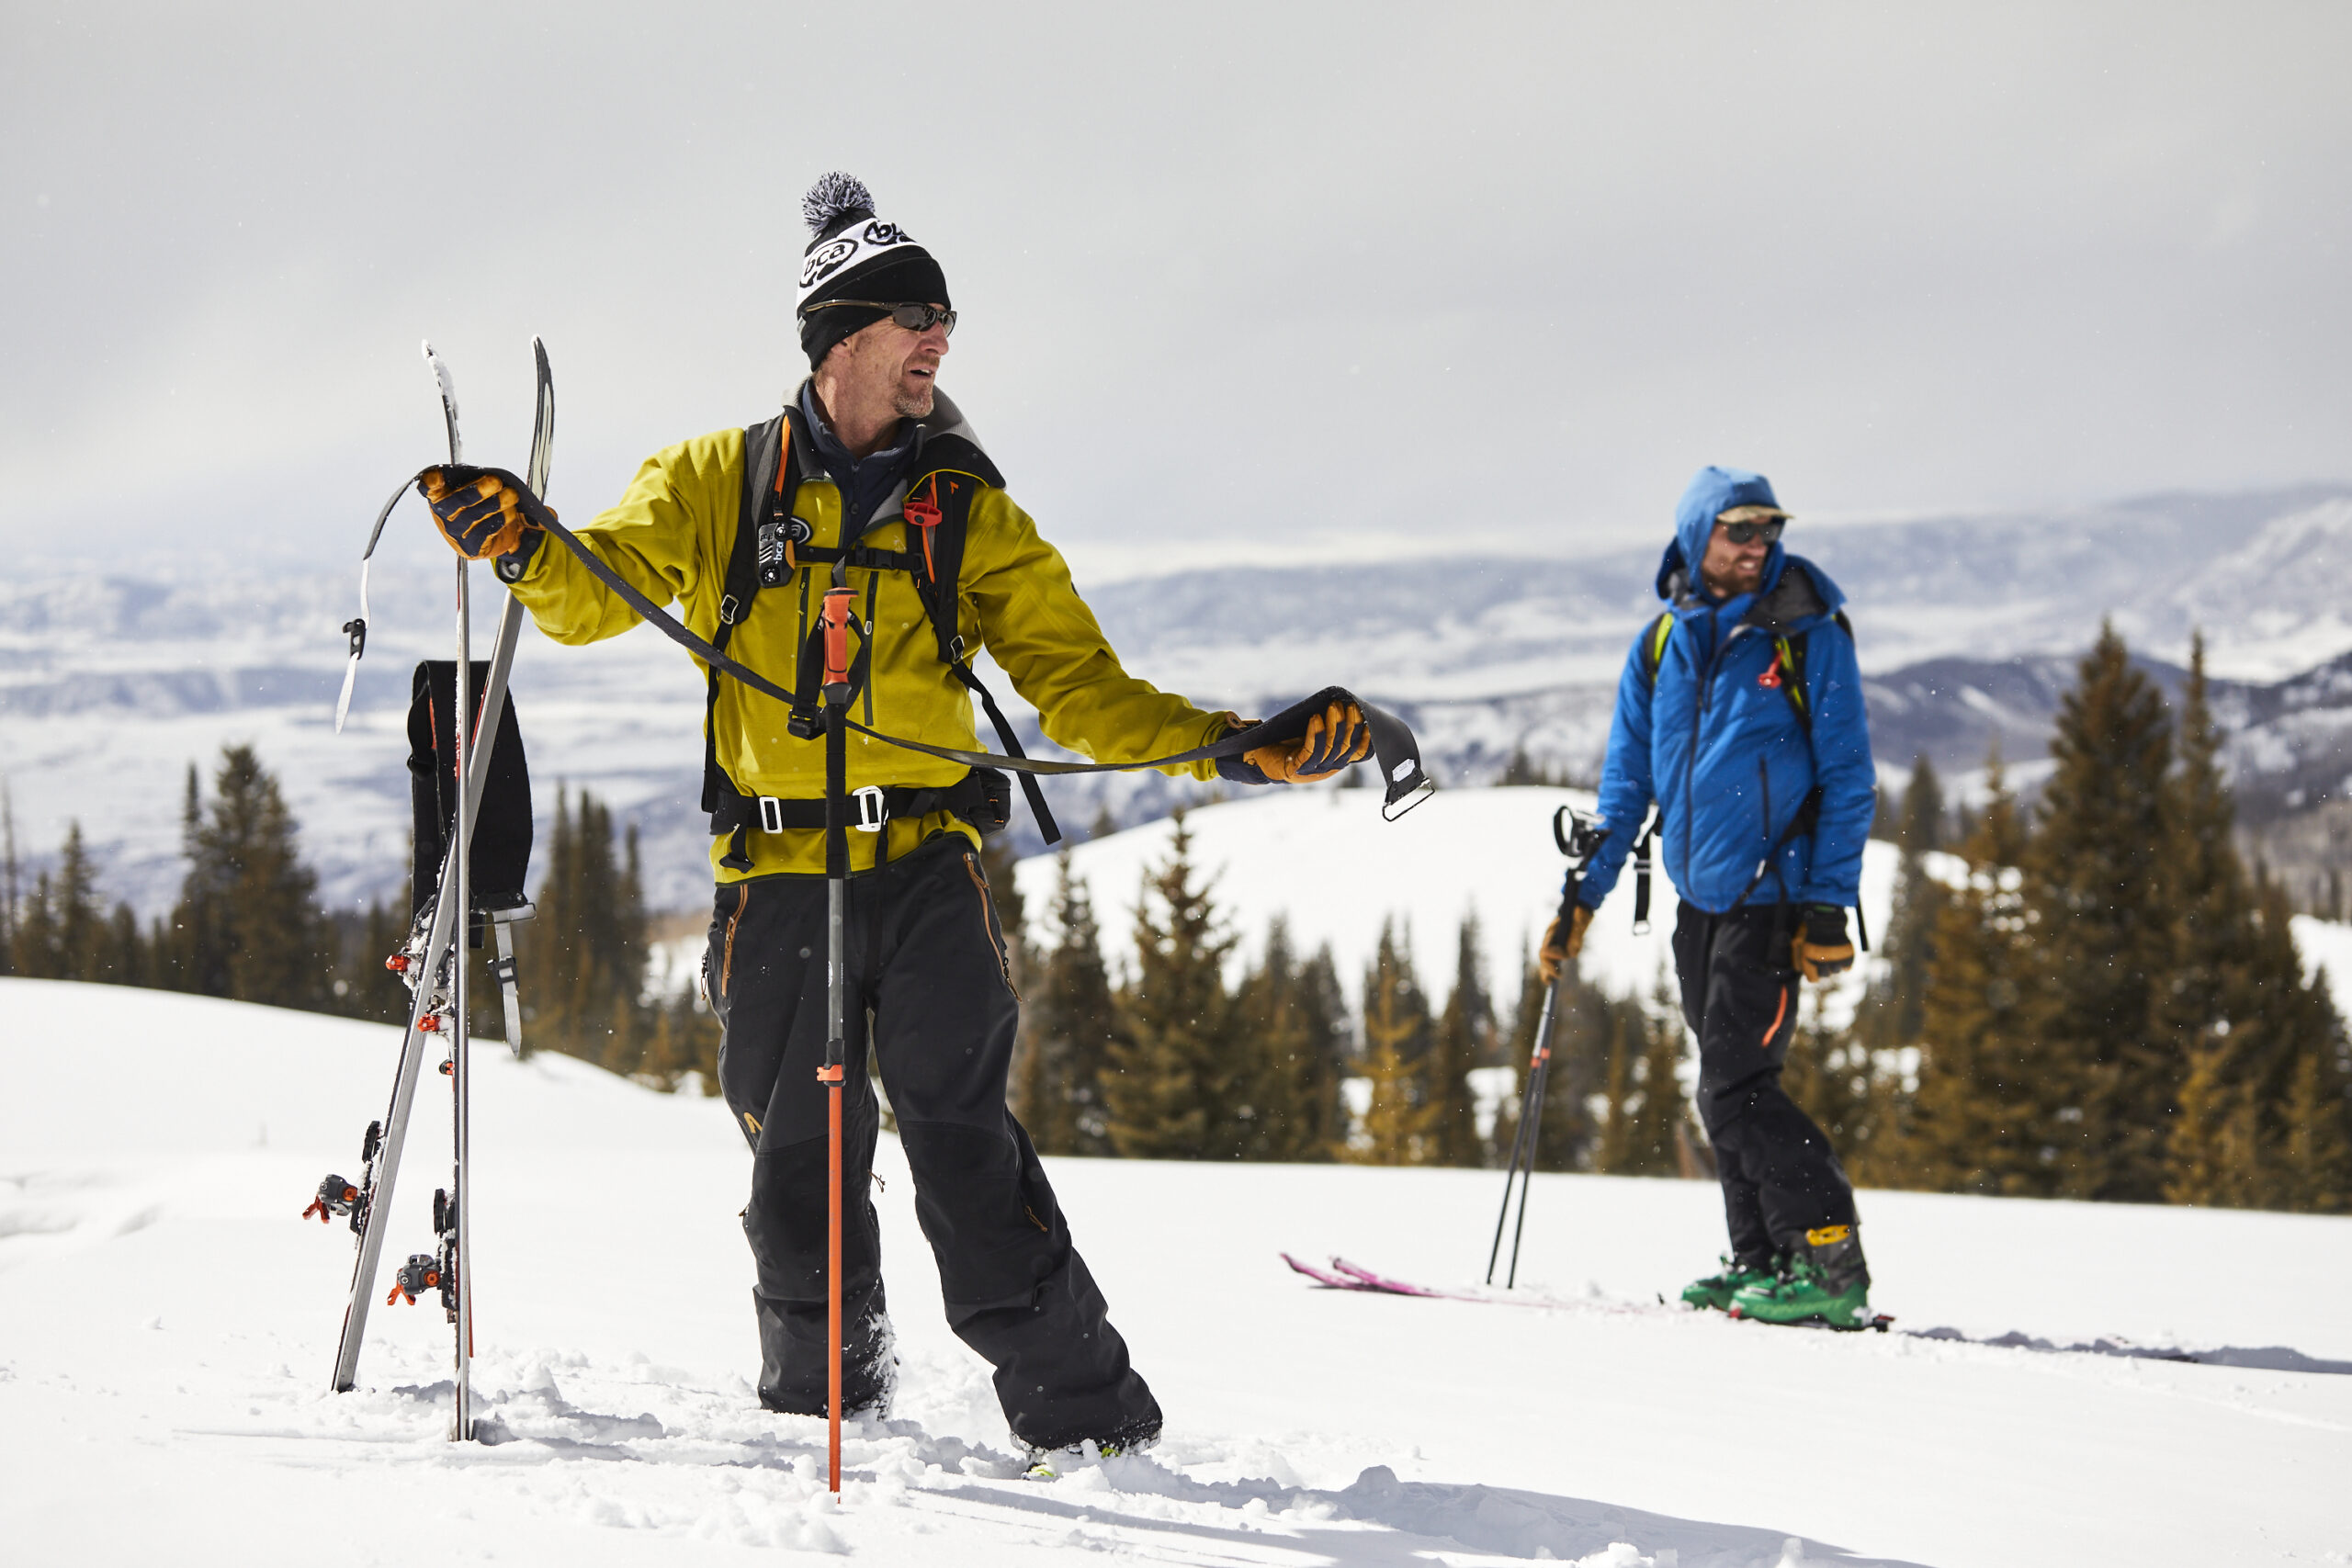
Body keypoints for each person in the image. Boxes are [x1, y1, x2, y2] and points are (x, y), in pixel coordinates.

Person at [415, 173, 1368, 1458]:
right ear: (841, 337)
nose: (941, 342)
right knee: (796, 1165)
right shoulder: (715, 480)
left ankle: (1091, 1431)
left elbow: (1082, 689)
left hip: (926, 872)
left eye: (946, 322)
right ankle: (827, 1411)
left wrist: (1234, 747)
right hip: (775, 877)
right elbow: (600, 590)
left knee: (964, 1147)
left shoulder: (968, 509)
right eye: (919, 319)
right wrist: (524, 541)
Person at [1542, 466, 1877, 1328]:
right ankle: (1761, 1259)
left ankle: (1829, 1257)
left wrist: (1827, 906)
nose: (1759, 544)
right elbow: (1626, 789)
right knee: (1724, 1087)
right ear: (1699, 534)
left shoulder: (1807, 633)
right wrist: (1582, 899)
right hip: (1700, 901)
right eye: (1741, 529)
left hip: (1775, 897)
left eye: (1769, 529)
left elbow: (1847, 777)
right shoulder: (1661, 645)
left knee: (1735, 1085)